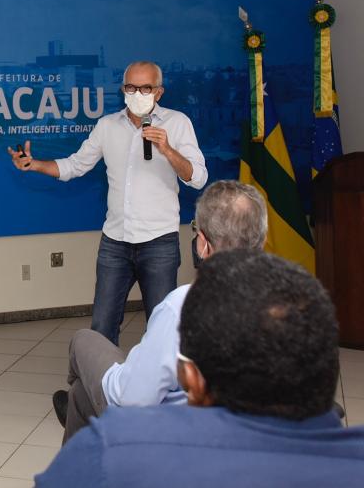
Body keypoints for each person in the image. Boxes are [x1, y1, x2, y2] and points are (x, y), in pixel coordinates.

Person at [36, 249, 364, 488]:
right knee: (81, 395)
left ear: (192, 381)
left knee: (84, 368)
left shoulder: (110, 454)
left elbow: (132, 401)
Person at [8, 61, 207, 344]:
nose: (137, 94)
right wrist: (35, 164)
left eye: (146, 88)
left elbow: (197, 178)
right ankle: (101, 374)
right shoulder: (107, 125)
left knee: (161, 328)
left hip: (159, 242)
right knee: (102, 326)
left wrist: (167, 149)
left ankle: (157, 374)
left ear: (159, 92)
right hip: (115, 243)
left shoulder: (177, 123)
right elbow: (75, 165)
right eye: (131, 87)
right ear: (123, 89)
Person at [55, 180, 267, 441]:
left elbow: (130, 401)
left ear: (202, 244)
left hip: (170, 439)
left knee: (83, 340)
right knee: (81, 396)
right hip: (238, 436)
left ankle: (79, 399)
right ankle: (77, 402)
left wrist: (109, 379)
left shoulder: (182, 307)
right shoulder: (285, 304)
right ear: (262, 240)